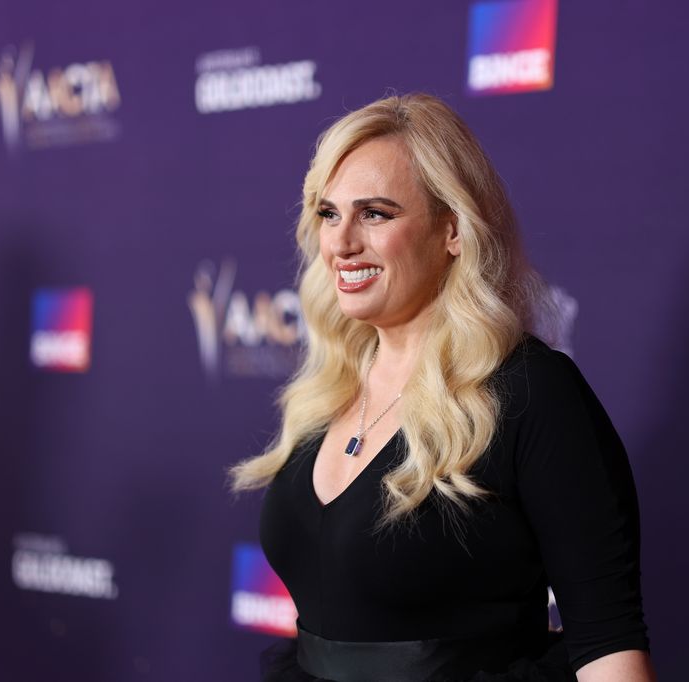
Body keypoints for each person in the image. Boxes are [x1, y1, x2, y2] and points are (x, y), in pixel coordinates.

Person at [231, 93, 655, 682]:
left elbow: (610, 647)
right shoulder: (329, 391)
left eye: (375, 214)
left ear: (453, 229)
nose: (341, 242)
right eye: (328, 213)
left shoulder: (532, 393)